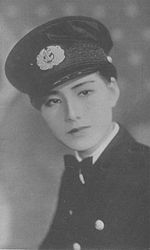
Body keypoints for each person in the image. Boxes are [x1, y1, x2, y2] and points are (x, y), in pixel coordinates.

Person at [5, 16, 149, 250]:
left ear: (112, 90)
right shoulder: (74, 175)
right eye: (53, 101)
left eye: (84, 92)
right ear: (41, 113)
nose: (71, 113)